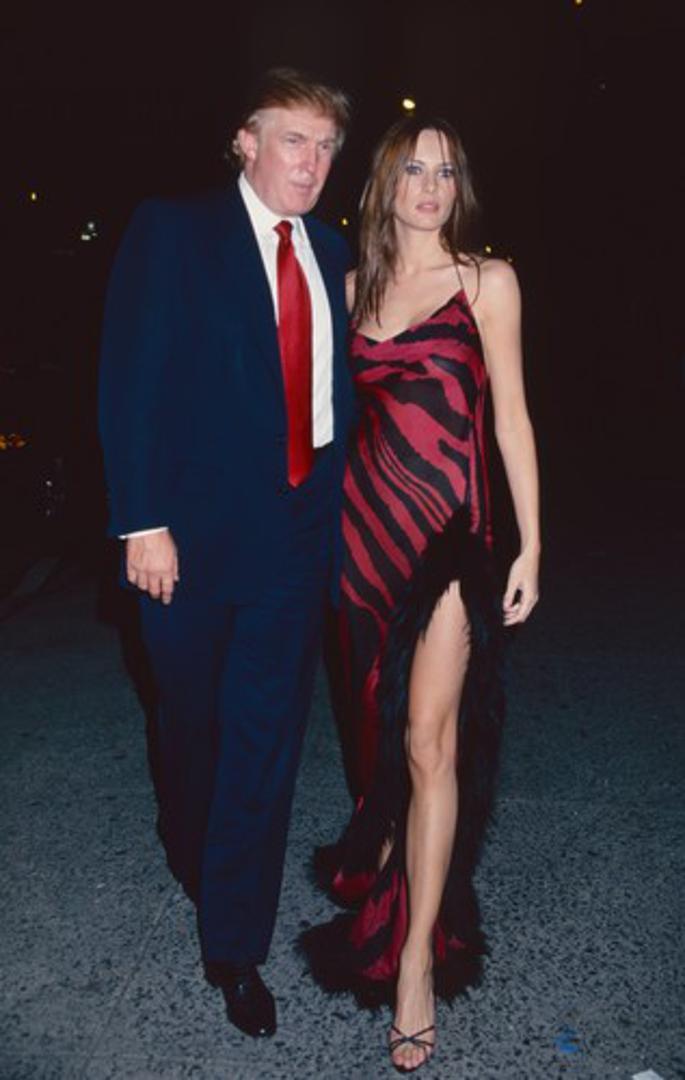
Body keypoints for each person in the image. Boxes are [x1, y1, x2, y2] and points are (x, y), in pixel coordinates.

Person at [98, 69, 353, 1039]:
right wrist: (142, 519)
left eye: (326, 147)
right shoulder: (175, 230)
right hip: (188, 542)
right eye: (294, 139)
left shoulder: (332, 252)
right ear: (245, 140)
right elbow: (131, 378)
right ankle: (190, 838)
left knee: (264, 742)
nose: (312, 163)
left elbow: (340, 397)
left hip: (297, 539)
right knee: (190, 724)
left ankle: (235, 945)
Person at [300, 116, 540, 1071]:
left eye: (445, 171)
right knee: (374, 732)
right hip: (360, 542)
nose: (431, 186)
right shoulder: (348, 289)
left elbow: (511, 418)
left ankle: (412, 964)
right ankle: (387, 852)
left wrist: (530, 545)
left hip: (448, 543)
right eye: (413, 170)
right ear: (383, 186)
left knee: (428, 741)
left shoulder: (487, 282)